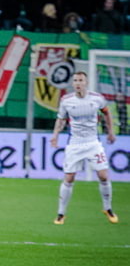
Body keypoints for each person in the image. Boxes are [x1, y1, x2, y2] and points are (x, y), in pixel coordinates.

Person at [50, 71, 117, 225]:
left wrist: (110, 132)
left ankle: (108, 208)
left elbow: (107, 113)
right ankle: (61, 213)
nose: (78, 83)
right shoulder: (67, 101)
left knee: (103, 175)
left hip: (93, 142)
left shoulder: (97, 99)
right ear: (73, 83)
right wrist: (55, 136)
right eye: (75, 80)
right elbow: (61, 120)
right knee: (69, 178)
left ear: (86, 82)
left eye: (81, 80)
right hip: (75, 143)